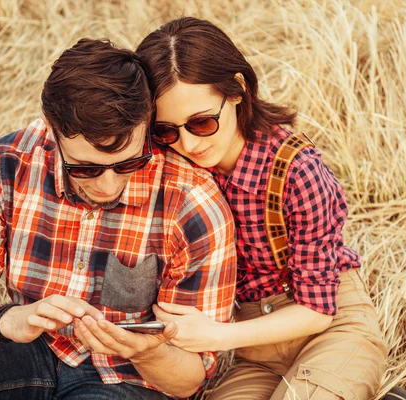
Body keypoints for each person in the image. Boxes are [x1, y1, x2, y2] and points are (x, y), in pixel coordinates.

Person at [0, 38, 237, 400]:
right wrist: (7, 320)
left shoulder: (192, 202)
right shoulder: (7, 165)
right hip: (27, 351)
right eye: (86, 168)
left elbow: (189, 379)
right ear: (51, 130)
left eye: (129, 163)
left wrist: (147, 350)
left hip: (128, 379)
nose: (108, 184)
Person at [136, 17, 389, 400]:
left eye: (202, 122)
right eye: (166, 130)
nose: (187, 144)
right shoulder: (171, 168)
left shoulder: (297, 171)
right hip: (257, 353)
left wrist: (216, 336)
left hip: (332, 327)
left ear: (237, 91)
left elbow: (317, 309)